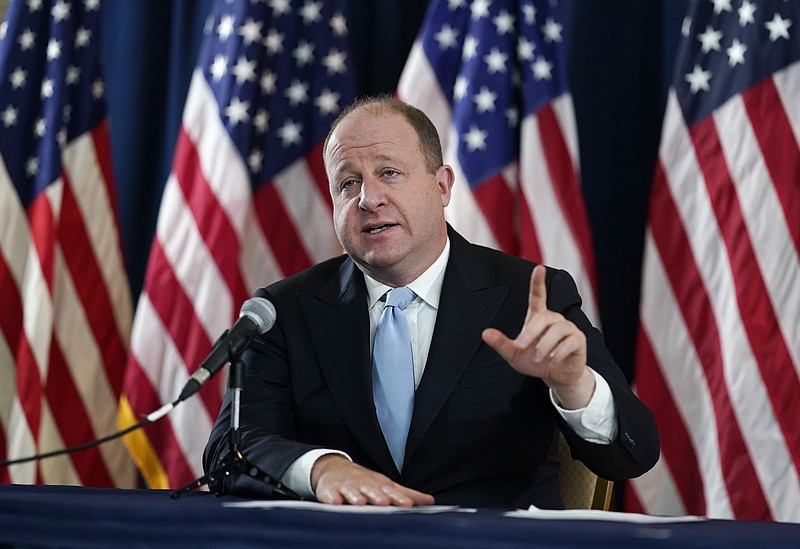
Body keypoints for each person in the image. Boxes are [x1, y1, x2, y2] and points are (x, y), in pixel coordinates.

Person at [203, 96, 659, 509]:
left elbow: (632, 454)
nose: (368, 199)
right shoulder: (283, 312)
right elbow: (232, 447)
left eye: (389, 173)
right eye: (348, 183)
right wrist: (323, 469)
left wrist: (574, 387)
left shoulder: (530, 297)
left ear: (442, 186)